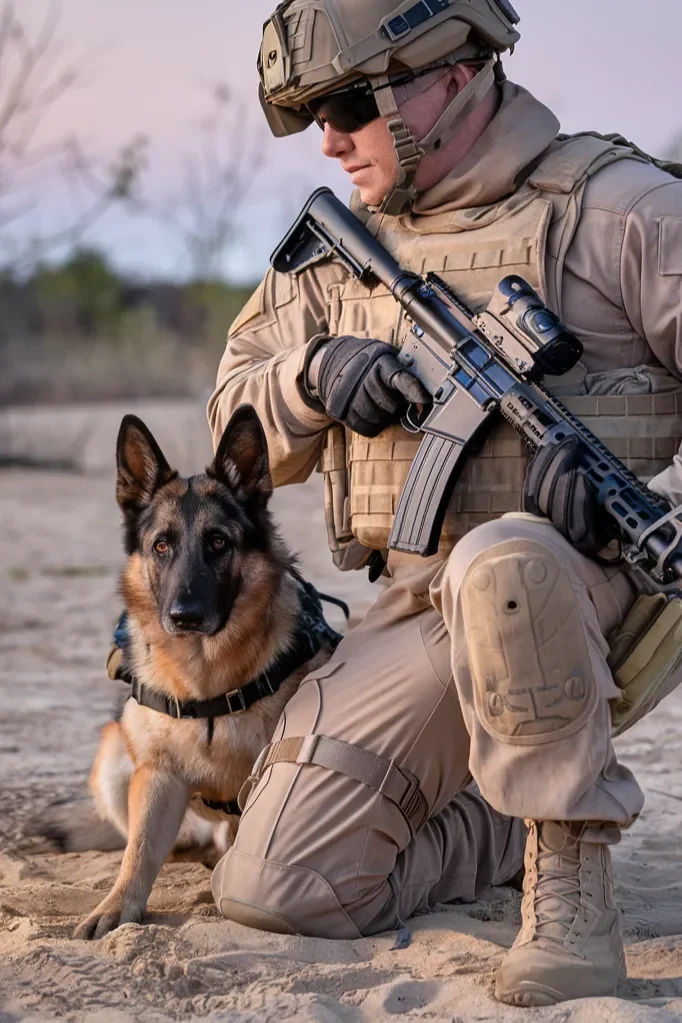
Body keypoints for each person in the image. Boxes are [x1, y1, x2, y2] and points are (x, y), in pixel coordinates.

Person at [206, 0, 682, 1006]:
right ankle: (500, 821)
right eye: (310, 114)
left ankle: (570, 879)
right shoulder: (343, 251)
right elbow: (226, 424)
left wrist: (621, 507)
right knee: (278, 890)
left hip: (595, 595)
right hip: (417, 599)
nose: (330, 138)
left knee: (508, 556)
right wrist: (310, 378)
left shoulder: (623, 211)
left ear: (453, 79)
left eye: (348, 103)